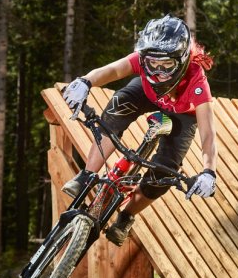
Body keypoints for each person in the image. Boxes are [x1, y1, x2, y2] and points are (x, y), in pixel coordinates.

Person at [61, 14, 218, 246]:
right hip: (146, 93)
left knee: (164, 172)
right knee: (116, 109)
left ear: (183, 59)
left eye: (167, 65)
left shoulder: (196, 80)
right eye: (152, 63)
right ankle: (87, 176)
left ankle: (126, 216)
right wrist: (85, 81)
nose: (158, 71)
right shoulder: (142, 59)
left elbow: (208, 132)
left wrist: (209, 171)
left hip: (182, 114)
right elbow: (113, 71)